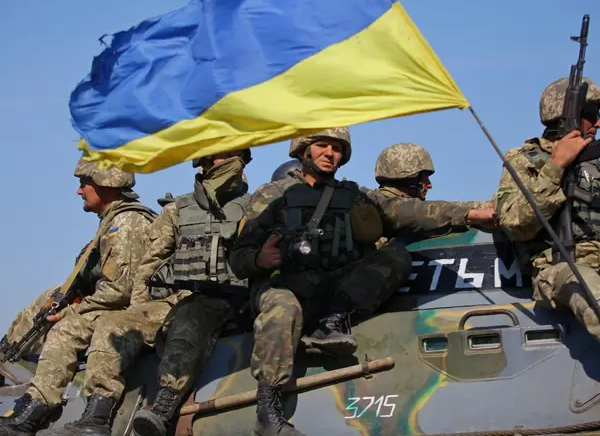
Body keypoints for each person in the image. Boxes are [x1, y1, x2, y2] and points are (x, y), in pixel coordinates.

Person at [231, 128, 496, 436]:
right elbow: (238, 256)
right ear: (303, 150)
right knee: (283, 306)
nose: (330, 153)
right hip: (284, 287)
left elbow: (407, 210)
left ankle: (332, 322)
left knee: (395, 256)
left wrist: (471, 213)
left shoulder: (354, 196)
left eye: (337, 148)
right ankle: (268, 412)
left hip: (332, 288)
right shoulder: (272, 195)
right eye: (322, 145)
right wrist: (259, 259)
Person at [39, 151, 252, 436]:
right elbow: (150, 265)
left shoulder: (255, 205)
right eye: (222, 155)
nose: (230, 162)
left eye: (236, 155)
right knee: (114, 325)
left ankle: (164, 404)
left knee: (190, 322)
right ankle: (97, 415)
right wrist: (139, 309)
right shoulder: (178, 209)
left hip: (230, 299)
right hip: (177, 298)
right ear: (203, 160)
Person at [0, 158, 156, 436]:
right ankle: (6, 360)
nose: (79, 190)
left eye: (85, 183)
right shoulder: (112, 221)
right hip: (112, 303)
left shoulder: (128, 223)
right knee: (52, 297)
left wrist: (72, 312)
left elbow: (120, 291)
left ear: (106, 185)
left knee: (67, 329)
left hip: (130, 310)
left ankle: (37, 409)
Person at [493, 77, 600, 342]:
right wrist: (556, 166)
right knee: (586, 285)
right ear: (567, 117)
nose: (597, 123)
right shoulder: (526, 160)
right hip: (561, 268)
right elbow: (514, 222)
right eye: (591, 114)